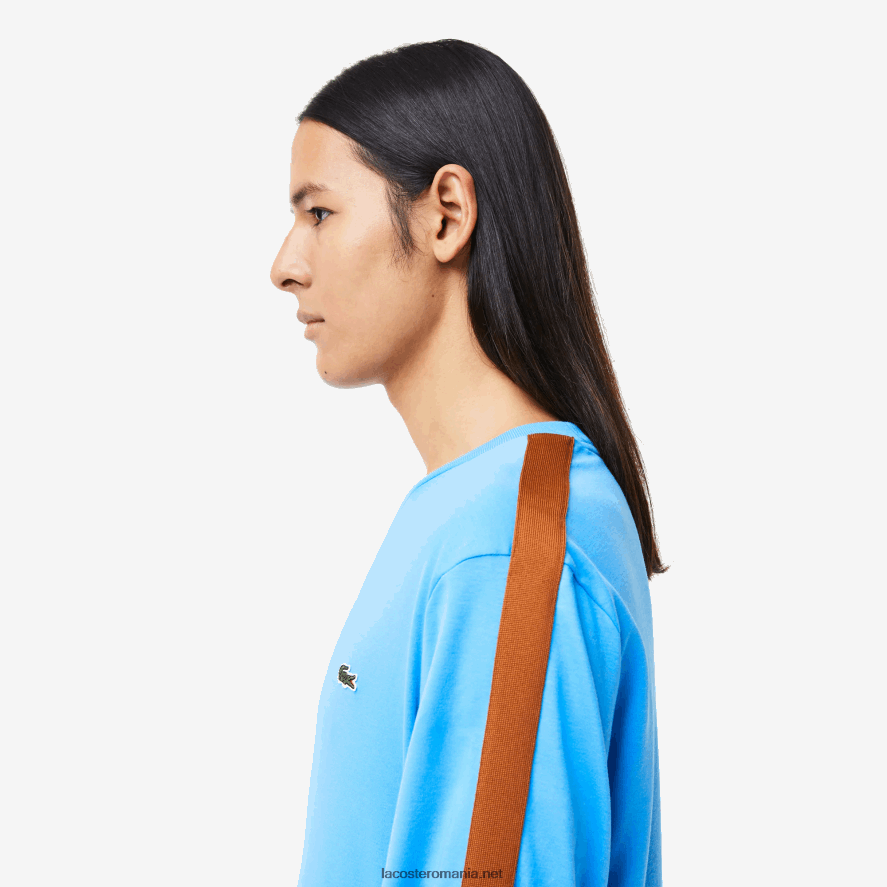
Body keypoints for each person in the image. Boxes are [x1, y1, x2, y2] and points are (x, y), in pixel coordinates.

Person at [270, 38, 667, 887]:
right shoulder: (474, 513)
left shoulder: (505, 541)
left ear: (445, 213)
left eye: (320, 214)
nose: (285, 266)